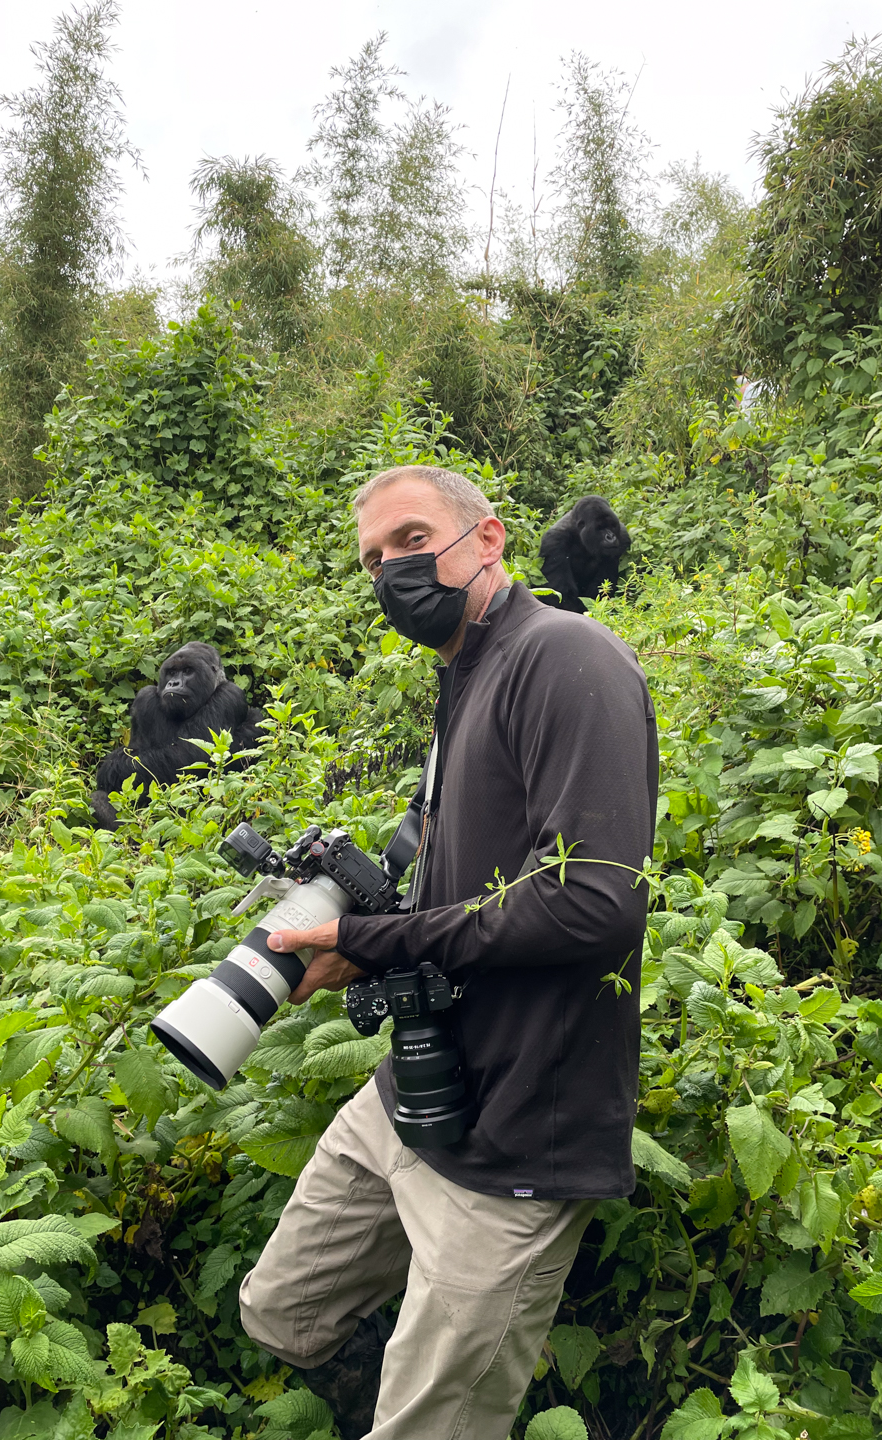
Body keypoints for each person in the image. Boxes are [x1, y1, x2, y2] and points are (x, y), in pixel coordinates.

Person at [239, 465, 658, 1440]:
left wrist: (372, 938)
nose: (394, 570)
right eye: (375, 559)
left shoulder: (565, 658)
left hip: (520, 1137)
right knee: (279, 1312)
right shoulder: (463, 675)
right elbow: (464, 866)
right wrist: (357, 925)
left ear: (490, 539)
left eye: (413, 539)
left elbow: (597, 907)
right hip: (419, 1089)